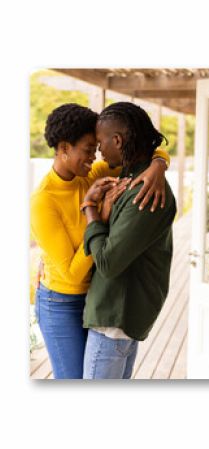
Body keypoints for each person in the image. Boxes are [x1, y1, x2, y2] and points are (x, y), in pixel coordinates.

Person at [30, 103, 170, 379]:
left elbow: (140, 148)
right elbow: (70, 275)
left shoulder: (91, 175)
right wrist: (99, 217)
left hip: (93, 296)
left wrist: (159, 165)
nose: (94, 157)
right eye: (87, 150)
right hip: (61, 302)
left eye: (96, 149)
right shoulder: (43, 201)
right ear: (64, 147)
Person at [81, 102, 176, 379]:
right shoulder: (131, 176)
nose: (99, 151)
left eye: (100, 143)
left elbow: (108, 263)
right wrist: (160, 162)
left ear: (118, 140)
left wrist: (90, 209)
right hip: (117, 318)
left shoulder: (143, 191)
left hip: (114, 320)